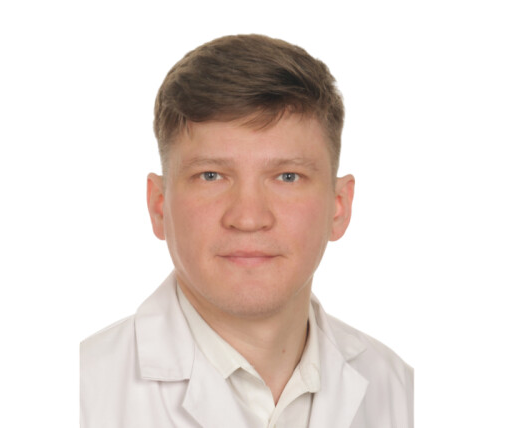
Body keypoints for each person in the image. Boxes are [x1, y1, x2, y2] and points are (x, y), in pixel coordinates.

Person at [80, 34, 413, 428]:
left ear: (339, 207)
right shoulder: (78, 394)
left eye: (287, 176)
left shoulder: (402, 393)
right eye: (211, 175)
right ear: (159, 206)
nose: (249, 218)